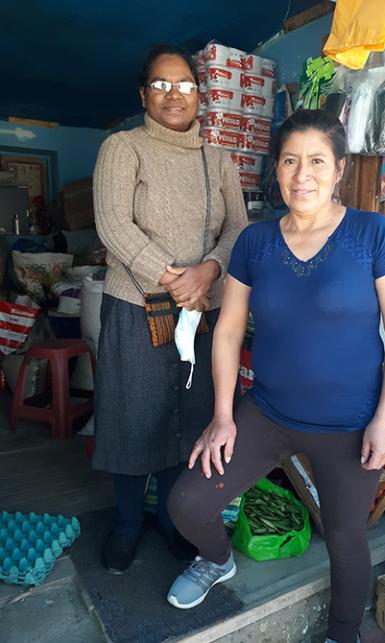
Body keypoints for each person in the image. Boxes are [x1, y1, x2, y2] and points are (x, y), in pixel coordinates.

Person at [166, 109, 385, 643]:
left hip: (350, 422)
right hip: (270, 413)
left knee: (348, 539)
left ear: (339, 169)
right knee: (187, 503)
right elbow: (229, 332)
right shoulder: (254, 243)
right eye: (290, 162)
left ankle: (342, 633)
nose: (303, 175)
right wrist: (223, 416)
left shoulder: (372, 233)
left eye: (317, 161)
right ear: (276, 171)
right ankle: (216, 562)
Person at [92, 44, 247, 574]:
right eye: (161, 84)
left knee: (187, 423)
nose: (174, 94)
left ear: (199, 94)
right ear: (143, 95)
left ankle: (170, 520)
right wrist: (173, 278)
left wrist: (209, 271)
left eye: (184, 84)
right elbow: (113, 224)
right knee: (133, 421)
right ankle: (127, 524)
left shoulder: (219, 158)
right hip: (137, 309)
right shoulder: (122, 147)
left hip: (203, 313)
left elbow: (238, 230)